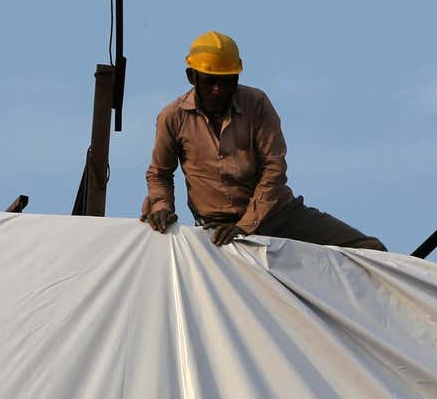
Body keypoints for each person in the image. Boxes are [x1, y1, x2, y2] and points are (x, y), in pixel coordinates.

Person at [140, 31, 386, 251]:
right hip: (216, 227)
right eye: (210, 81)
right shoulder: (173, 117)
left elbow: (274, 170)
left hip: (276, 215)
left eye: (227, 81)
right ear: (191, 77)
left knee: (370, 250)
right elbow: (159, 173)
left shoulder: (256, 105)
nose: (218, 90)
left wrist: (246, 225)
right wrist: (162, 207)